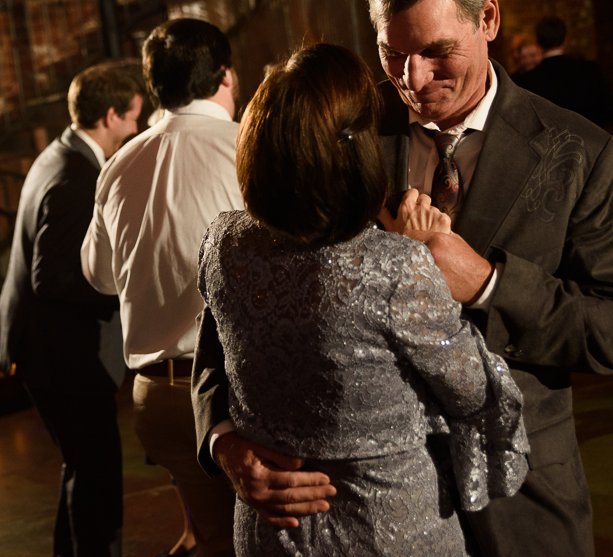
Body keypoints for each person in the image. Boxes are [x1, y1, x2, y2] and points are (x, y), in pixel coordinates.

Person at [194, 0, 613, 557]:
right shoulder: (341, 128)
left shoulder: (582, 154)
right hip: (358, 517)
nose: (412, 78)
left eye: (438, 51)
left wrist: (488, 282)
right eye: (391, 54)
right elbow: (229, 317)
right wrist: (222, 436)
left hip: (519, 498)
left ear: (487, 18)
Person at [198, 43, 527, 556]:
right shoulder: (396, 267)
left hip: (273, 537)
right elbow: (476, 393)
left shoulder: (221, 245)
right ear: (355, 151)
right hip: (387, 531)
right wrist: (419, 263)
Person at [83, 18, 243, 557]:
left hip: (154, 397)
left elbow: (99, 274)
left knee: (208, 535)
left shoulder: (118, 163)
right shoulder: (245, 146)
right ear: (225, 76)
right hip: (230, 390)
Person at [0, 63, 143, 557]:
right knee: (96, 473)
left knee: (82, 466)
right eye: (133, 119)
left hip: (45, 349)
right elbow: (51, 277)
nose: (138, 130)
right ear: (110, 115)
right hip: (62, 356)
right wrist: (124, 290)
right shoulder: (76, 178)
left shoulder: (58, 155)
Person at [514, 16, 613, 127]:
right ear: (565, 39)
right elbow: (612, 110)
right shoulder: (589, 70)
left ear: (537, 42)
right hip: (588, 139)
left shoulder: (527, 81)